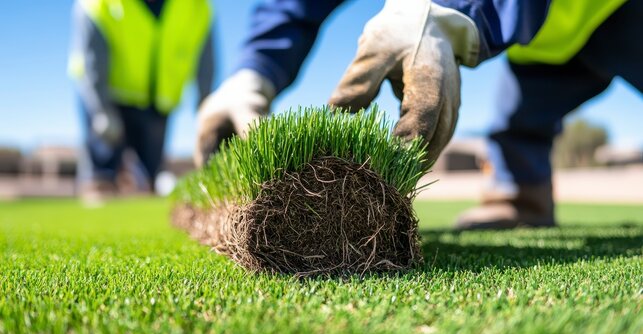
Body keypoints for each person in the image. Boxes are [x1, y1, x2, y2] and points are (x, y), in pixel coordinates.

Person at [195, 0, 641, 229]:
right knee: (517, 124)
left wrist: (452, 8)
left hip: (621, 12)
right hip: (543, 44)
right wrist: (255, 68)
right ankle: (522, 199)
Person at [69, 0, 214, 201]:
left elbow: (205, 59)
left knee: (148, 177)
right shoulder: (101, 4)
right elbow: (91, 60)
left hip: (157, 104)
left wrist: (205, 105)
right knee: (101, 177)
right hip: (108, 97)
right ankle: (99, 192)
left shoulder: (196, 6)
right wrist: (101, 109)